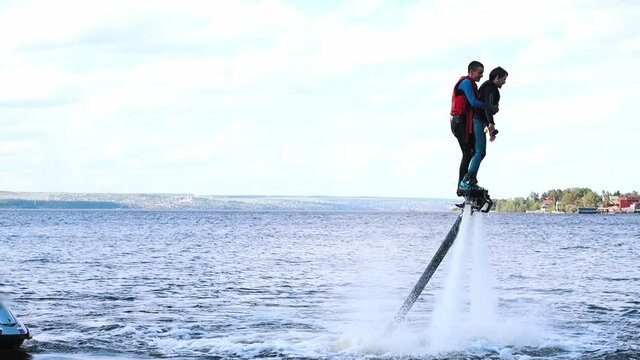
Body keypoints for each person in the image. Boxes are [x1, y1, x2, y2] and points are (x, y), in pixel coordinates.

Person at [459, 66, 508, 192]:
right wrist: (491, 123)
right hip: (478, 121)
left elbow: (486, 108)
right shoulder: (490, 88)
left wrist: (490, 127)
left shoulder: (489, 87)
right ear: (497, 78)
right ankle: (466, 181)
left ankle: (471, 180)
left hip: (480, 121)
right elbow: (486, 106)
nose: (505, 82)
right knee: (480, 151)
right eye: (503, 79)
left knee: (480, 152)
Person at [450, 61, 488, 196]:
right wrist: (488, 106)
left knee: (472, 152)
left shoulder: (472, 84)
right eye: (480, 73)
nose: (481, 76)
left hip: (464, 122)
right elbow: (472, 101)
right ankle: (461, 185)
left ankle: (469, 181)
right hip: (458, 121)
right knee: (467, 152)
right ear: (471, 72)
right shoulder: (466, 83)